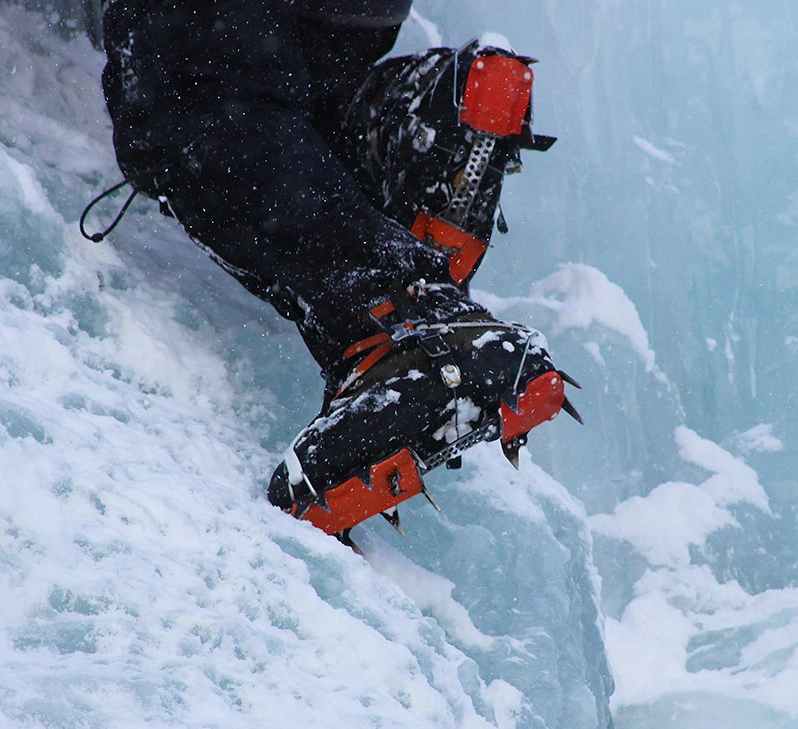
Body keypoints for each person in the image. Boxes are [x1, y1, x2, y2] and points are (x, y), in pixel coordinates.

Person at [98, 0, 577, 542]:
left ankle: (399, 315)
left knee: (193, 103)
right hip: (350, 22)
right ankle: (428, 124)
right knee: (301, 116)